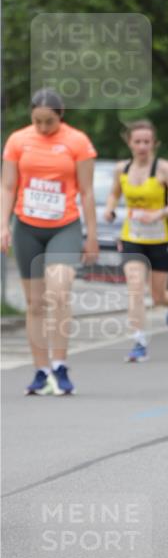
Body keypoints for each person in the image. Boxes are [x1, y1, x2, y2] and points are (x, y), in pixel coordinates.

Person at [1, 89, 98, 395]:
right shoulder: (18, 140)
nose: (43, 128)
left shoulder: (77, 141)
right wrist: (3, 224)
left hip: (64, 226)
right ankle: (41, 371)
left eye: (49, 122)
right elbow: (7, 185)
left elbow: (86, 192)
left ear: (61, 115)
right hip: (27, 226)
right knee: (35, 303)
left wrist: (92, 235)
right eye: (38, 121)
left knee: (58, 293)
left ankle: (60, 365)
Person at [104, 120, 168, 363]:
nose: (142, 146)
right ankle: (139, 341)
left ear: (154, 144)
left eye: (146, 142)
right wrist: (110, 209)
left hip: (160, 238)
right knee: (134, 287)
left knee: (158, 296)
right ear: (129, 143)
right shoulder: (122, 169)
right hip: (132, 236)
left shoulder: (163, 169)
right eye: (137, 142)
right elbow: (114, 193)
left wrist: (160, 213)